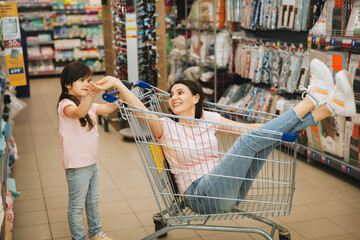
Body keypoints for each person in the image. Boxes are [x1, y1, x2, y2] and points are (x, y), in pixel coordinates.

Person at [91, 59, 356, 214]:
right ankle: (316, 102)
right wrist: (116, 83)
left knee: (262, 138)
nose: (174, 97)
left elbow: (253, 131)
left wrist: (280, 127)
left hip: (230, 188)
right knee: (250, 142)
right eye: (172, 95)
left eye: (181, 92)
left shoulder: (210, 119)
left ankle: (329, 107)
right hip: (200, 195)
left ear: (196, 98)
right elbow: (139, 108)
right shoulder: (164, 127)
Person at [57, 62, 118, 240]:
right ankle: (79, 237)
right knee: (76, 208)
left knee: (93, 201)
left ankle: (95, 232)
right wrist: (91, 96)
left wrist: (122, 96)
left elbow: (105, 109)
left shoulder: (85, 103)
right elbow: (77, 113)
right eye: (82, 79)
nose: (87, 83)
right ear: (68, 84)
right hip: (77, 165)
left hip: (91, 162)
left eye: (89, 80)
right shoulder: (65, 104)